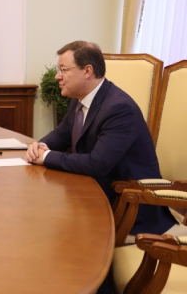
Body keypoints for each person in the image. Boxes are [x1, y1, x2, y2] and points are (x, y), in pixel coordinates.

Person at [25, 41, 176, 237]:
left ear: (87, 71)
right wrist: (40, 145)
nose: (57, 76)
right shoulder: (79, 99)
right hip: (91, 193)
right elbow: (62, 134)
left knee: (49, 228)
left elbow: (97, 164)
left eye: (64, 69)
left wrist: (46, 157)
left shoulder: (119, 108)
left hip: (128, 207)